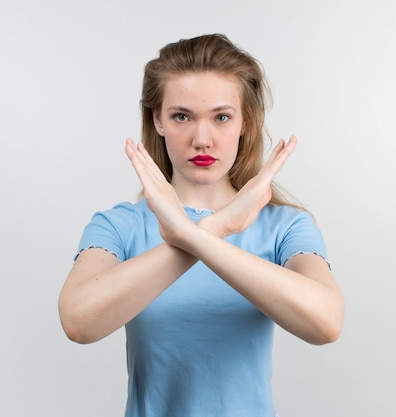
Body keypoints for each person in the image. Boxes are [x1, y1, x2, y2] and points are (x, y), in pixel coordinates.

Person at [58, 33, 344, 417]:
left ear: (245, 123)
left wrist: (197, 235)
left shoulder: (285, 226)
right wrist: (219, 228)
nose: (202, 139)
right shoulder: (119, 225)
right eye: (181, 116)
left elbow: (326, 323)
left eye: (222, 117)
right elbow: (78, 321)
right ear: (157, 120)